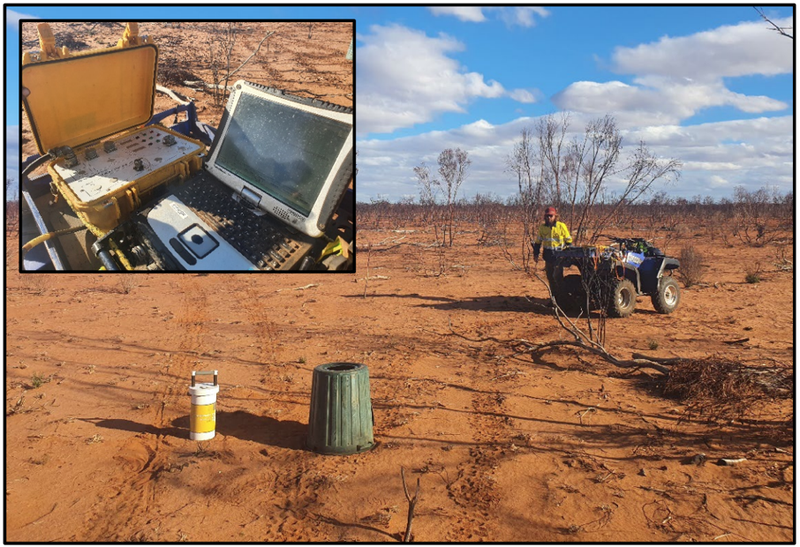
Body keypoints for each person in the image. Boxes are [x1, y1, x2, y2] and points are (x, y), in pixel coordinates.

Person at [532, 206, 572, 295]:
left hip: (559, 256)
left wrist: (569, 255)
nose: (549, 218)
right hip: (548, 256)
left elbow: (569, 241)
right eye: (547, 216)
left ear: (555, 216)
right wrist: (536, 253)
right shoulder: (542, 227)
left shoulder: (561, 226)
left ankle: (562, 298)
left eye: (551, 216)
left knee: (557, 277)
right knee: (550, 278)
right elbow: (538, 242)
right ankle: (553, 298)